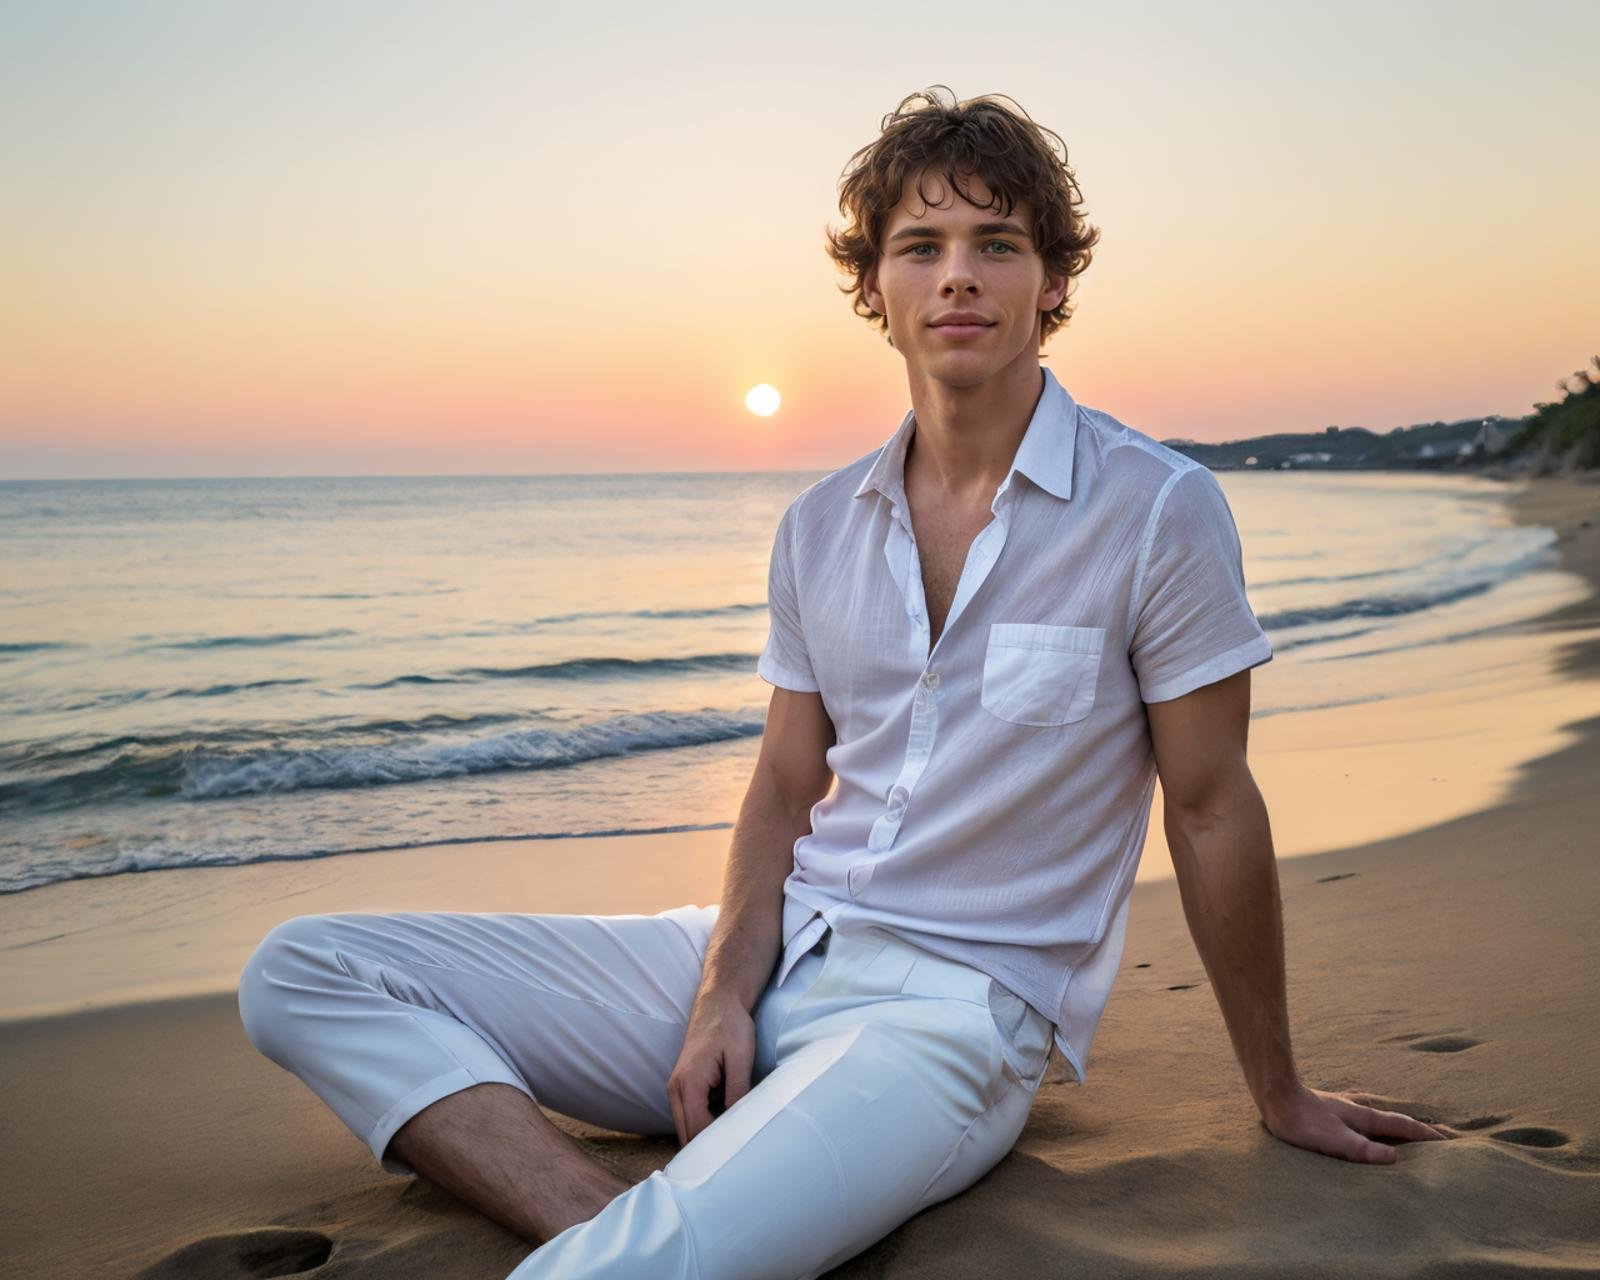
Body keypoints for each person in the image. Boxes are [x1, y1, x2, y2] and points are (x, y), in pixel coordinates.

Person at [236, 85, 1456, 1279]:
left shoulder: (1156, 508)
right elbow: (781, 782)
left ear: (1055, 281)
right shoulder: (818, 525)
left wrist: (1277, 1086)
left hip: (947, 1021)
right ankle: (603, 1213)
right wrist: (721, 994)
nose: (958, 275)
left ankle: (649, 1236)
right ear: (873, 287)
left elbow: (1207, 803)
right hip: (769, 946)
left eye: (997, 243)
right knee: (304, 967)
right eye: (919, 246)